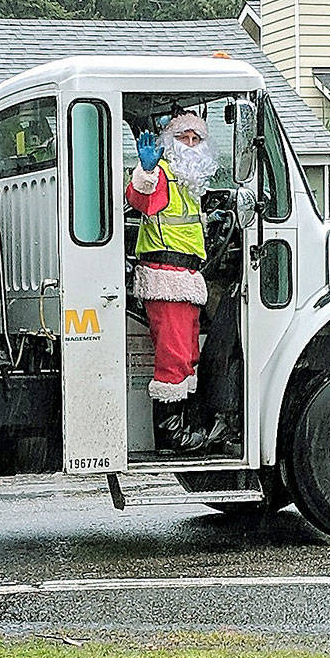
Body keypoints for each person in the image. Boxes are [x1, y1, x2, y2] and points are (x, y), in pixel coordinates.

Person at [125, 112, 219, 450]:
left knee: (188, 353)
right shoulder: (162, 174)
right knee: (174, 356)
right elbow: (139, 199)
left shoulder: (190, 184)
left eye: (197, 140)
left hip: (186, 278)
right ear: (170, 142)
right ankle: (171, 434)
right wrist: (146, 170)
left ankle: (184, 424)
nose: (191, 146)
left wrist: (211, 219)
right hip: (166, 279)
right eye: (184, 138)